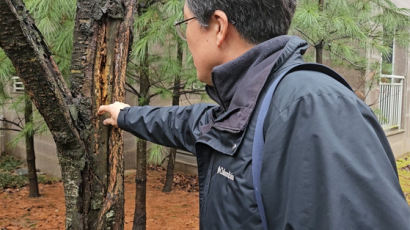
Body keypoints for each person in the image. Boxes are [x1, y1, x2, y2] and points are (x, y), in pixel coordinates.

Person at [98, 0, 410, 229]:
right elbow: (185, 123)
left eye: (186, 24)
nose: (187, 37)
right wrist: (124, 115)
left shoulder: (313, 107)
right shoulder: (249, 106)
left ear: (218, 26)